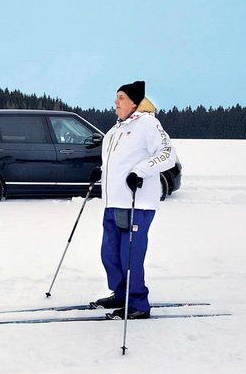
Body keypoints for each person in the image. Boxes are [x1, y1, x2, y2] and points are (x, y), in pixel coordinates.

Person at [88, 81, 176, 319]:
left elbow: (168, 154)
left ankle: (137, 303)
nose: (116, 101)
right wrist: (102, 171)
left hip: (137, 203)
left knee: (130, 255)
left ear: (134, 102)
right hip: (113, 202)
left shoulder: (147, 123)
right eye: (116, 97)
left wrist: (141, 171)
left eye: (121, 97)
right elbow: (117, 162)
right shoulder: (114, 131)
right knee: (110, 253)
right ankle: (120, 293)